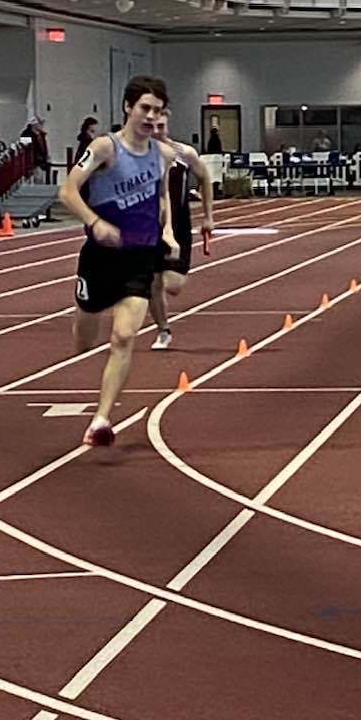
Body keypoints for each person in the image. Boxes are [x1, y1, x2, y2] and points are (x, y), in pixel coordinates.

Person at [58, 75, 180, 447]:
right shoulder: (104, 148)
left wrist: (169, 230)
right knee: (85, 339)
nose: (151, 117)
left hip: (140, 256)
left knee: (125, 336)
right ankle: (82, 315)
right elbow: (66, 190)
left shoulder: (164, 155)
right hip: (100, 257)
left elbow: (162, 198)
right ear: (128, 107)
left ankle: (100, 420)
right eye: (144, 108)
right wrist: (94, 222)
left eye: (157, 111)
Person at [150, 108, 214, 350]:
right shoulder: (137, 154)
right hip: (147, 227)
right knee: (152, 283)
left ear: (167, 126)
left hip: (178, 225)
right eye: (152, 127)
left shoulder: (184, 153)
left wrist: (208, 216)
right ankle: (163, 330)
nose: (156, 131)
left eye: (161, 127)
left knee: (172, 285)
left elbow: (205, 178)